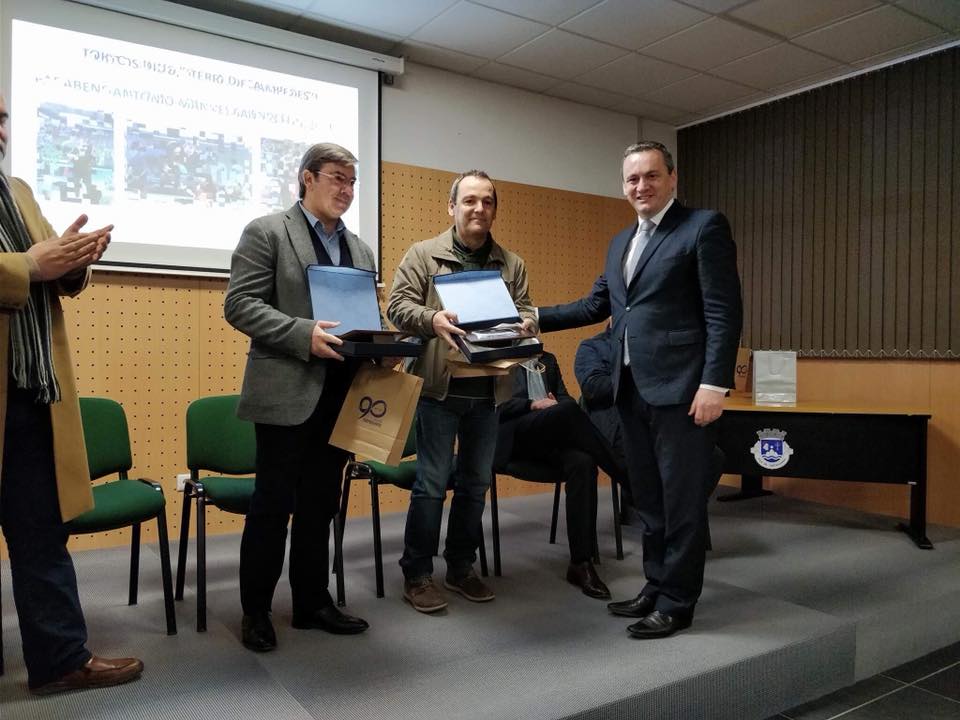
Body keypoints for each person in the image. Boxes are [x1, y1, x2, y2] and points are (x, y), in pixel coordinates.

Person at [538, 141, 742, 639]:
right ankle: (656, 585)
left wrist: (715, 383)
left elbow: (723, 311)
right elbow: (597, 306)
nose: (641, 186)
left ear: (672, 178)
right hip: (631, 392)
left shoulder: (703, 227)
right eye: (632, 179)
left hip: (683, 390)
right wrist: (535, 317)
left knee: (682, 501)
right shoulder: (621, 242)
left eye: (651, 176)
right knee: (647, 498)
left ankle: (678, 600)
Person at [0, 94, 144, 694]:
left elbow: (45, 266)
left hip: (31, 389)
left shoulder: (18, 189)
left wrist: (73, 261)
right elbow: (27, 266)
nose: (0, 127)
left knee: (41, 532)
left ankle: (59, 660)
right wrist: (30, 267)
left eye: (2, 117)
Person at [224, 143, 371, 652]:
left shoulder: (361, 249)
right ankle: (256, 611)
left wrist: (381, 348)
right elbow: (239, 304)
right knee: (272, 504)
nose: (347, 190)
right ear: (307, 178)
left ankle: (312, 602)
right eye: (337, 178)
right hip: (287, 387)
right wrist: (301, 333)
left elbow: (361, 320)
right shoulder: (268, 231)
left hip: (340, 393)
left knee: (321, 504)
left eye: (353, 182)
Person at [387, 170, 536, 613]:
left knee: (474, 484)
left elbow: (527, 307)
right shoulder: (423, 254)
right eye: (469, 201)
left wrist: (528, 322)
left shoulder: (511, 263)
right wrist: (432, 319)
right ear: (451, 207)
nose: (478, 209)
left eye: (487, 202)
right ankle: (417, 574)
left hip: (489, 393)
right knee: (431, 485)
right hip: (438, 390)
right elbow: (397, 306)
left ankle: (460, 567)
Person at [495, 350, 625, 599]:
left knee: (584, 461)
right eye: (523, 322)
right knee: (567, 413)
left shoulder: (548, 359)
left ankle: (580, 563)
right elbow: (494, 405)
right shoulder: (500, 357)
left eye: (532, 324)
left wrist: (556, 404)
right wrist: (533, 404)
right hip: (514, 438)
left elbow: (565, 398)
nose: (528, 328)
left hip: (548, 436)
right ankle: (625, 475)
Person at [574, 325, 638, 524]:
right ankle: (661, 507)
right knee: (638, 458)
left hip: (655, 418)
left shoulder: (653, 344)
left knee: (713, 456)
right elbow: (593, 388)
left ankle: (675, 508)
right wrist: (636, 378)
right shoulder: (593, 347)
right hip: (612, 420)